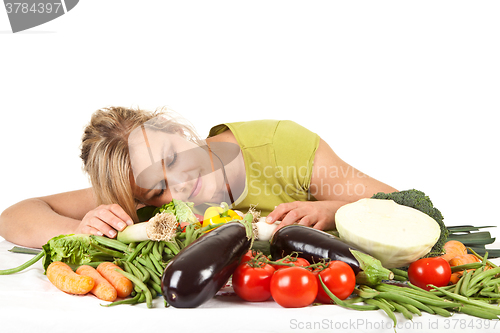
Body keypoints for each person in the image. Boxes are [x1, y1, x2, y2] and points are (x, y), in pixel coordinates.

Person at [0, 106, 396, 248]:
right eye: (157, 190)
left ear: (177, 132)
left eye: (172, 157)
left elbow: (402, 203)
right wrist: (82, 229)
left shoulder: (279, 146)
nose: (181, 184)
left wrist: (332, 211)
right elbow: (14, 216)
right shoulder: (136, 197)